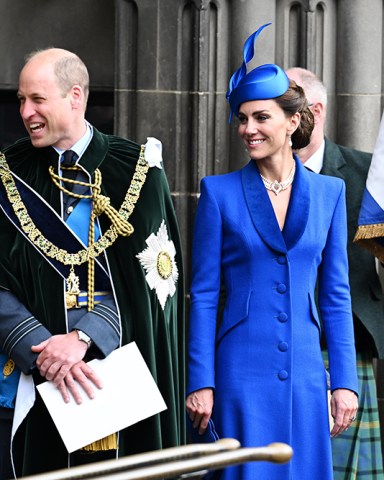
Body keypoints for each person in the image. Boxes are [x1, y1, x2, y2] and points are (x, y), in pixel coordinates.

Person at [0, 47, 185, 478]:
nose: (26, 112)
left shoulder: (137, 170)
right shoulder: (7, 171)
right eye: (21, 101)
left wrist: (82, 339)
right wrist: (43, 349)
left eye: (38, 100)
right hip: (25, 375)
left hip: (111, 381)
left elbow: (154, 288)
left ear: (76, 96)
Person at [185, 23, 358, 480]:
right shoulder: (218, 193)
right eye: (242, 118)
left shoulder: (331, 193)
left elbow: (336, 295)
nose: (248, 128)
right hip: (239, 372)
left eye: (261, 117)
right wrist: (201, 380)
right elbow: (202, 294)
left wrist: (343, 381)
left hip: (305, 374)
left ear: (293, 121)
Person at [286, 66, 384, 479]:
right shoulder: (253, 178)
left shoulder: (369, 176)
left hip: (347, 349)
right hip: (279, 347)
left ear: (316, 110)